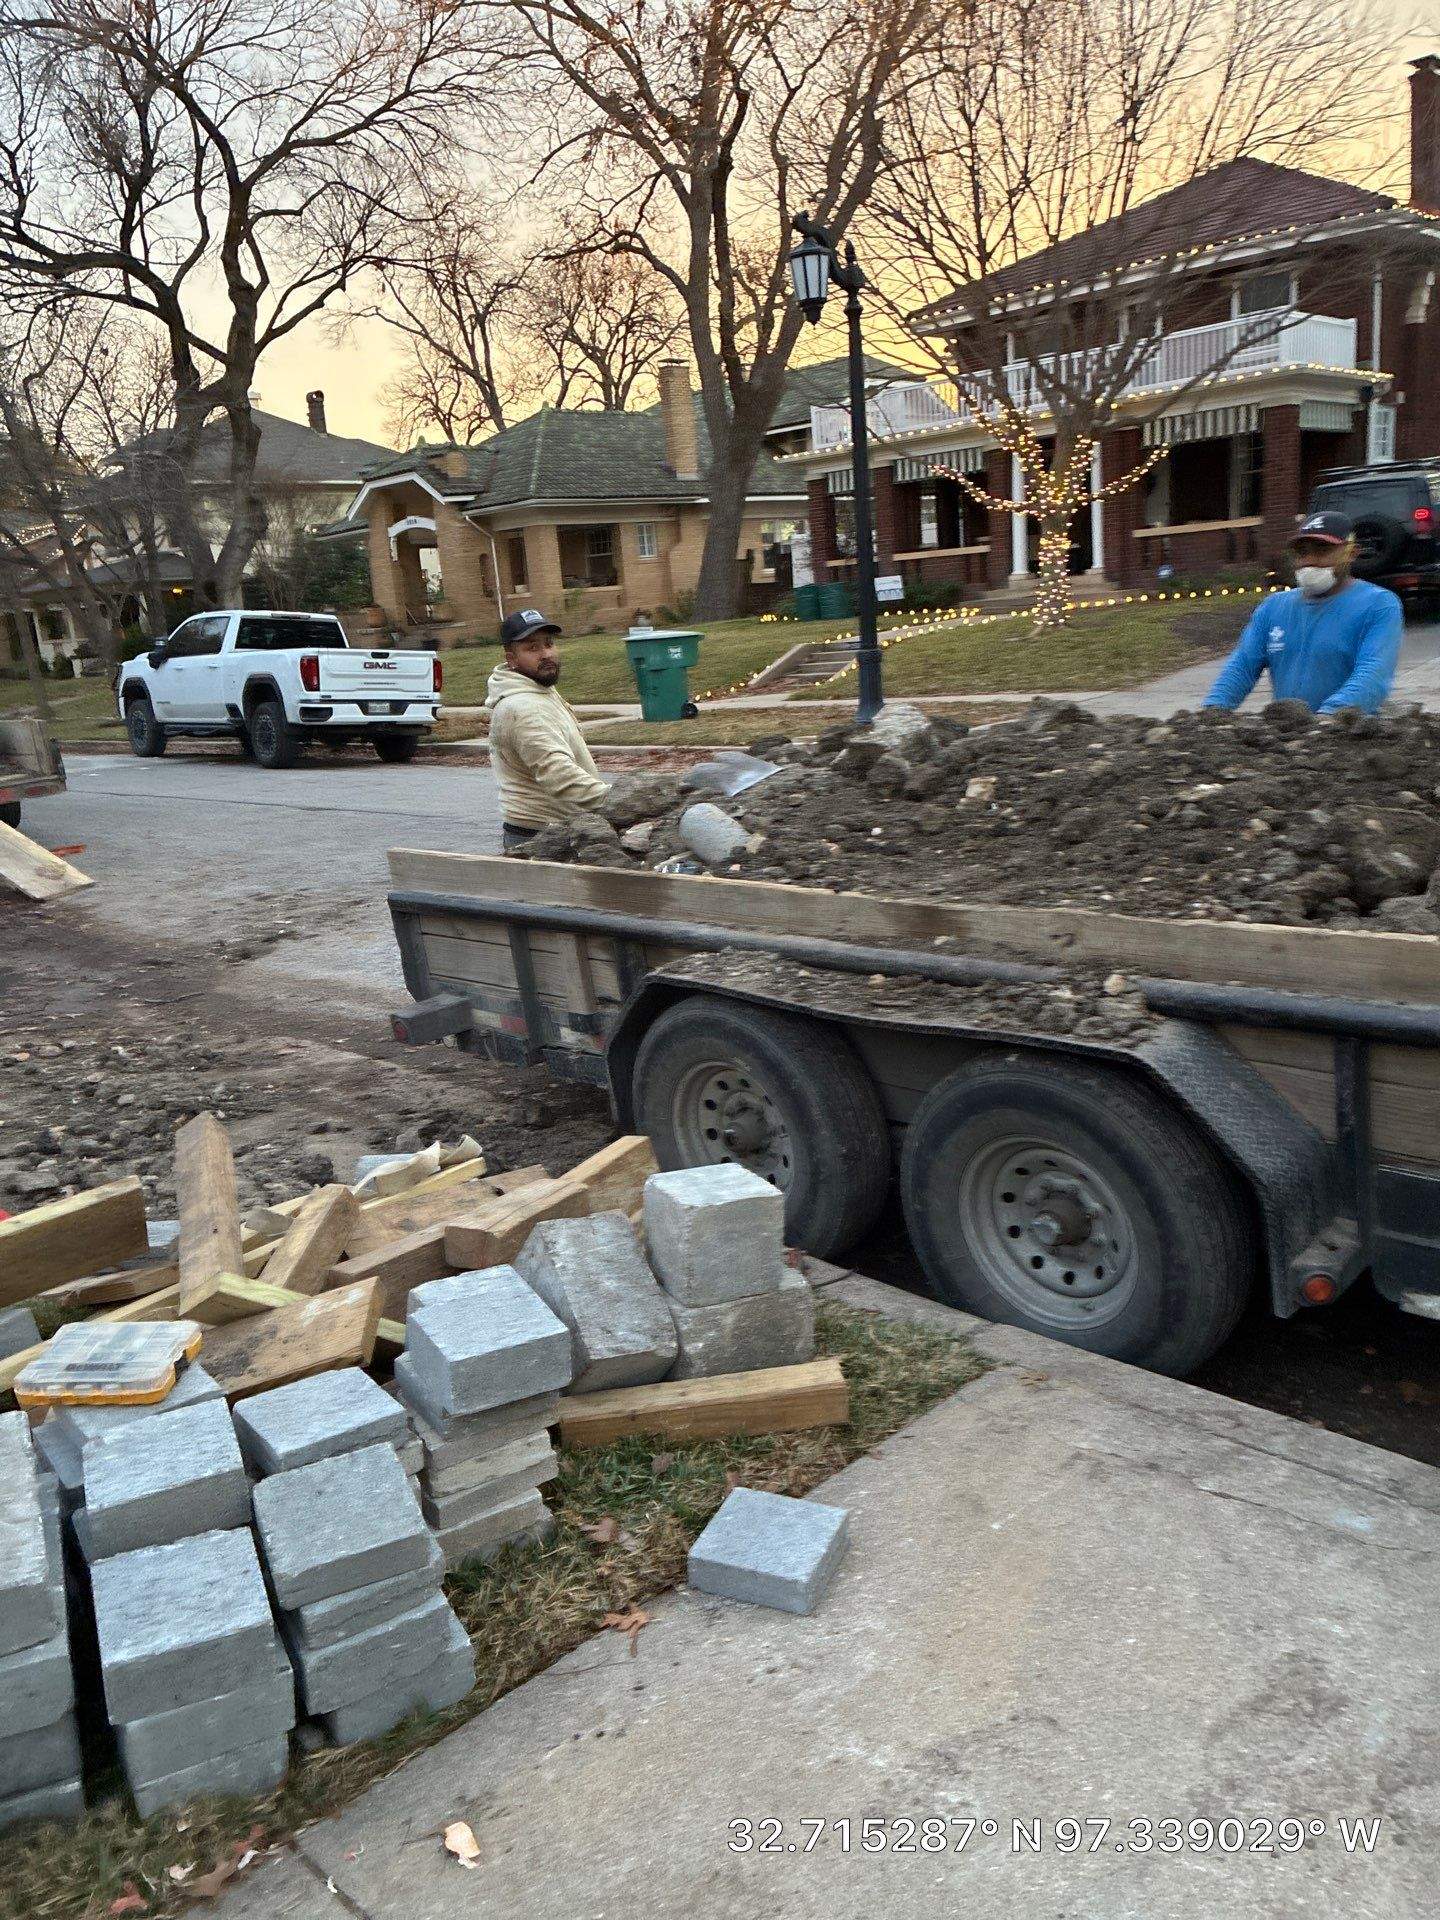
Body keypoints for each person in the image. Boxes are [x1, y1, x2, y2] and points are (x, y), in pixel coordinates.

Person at [1203, 511, 1403, 715]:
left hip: (1349, 736)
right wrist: (1213, 711)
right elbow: (1242, 667)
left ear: (1351, 553)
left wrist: (1329, 718)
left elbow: (1374, 674)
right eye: (1302, 553)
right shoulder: (1273, 608)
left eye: (1322, 550)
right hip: (1288, 735)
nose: (1309, 561)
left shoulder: (1378, 605)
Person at [485, 608, 608, 853]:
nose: (546, 654)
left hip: (551, 831)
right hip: (540, 839)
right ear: (511, 659)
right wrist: (619, 800)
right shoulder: (524, 708)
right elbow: (558, 775)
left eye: (549, 644)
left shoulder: (538, 690)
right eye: (532, 648)